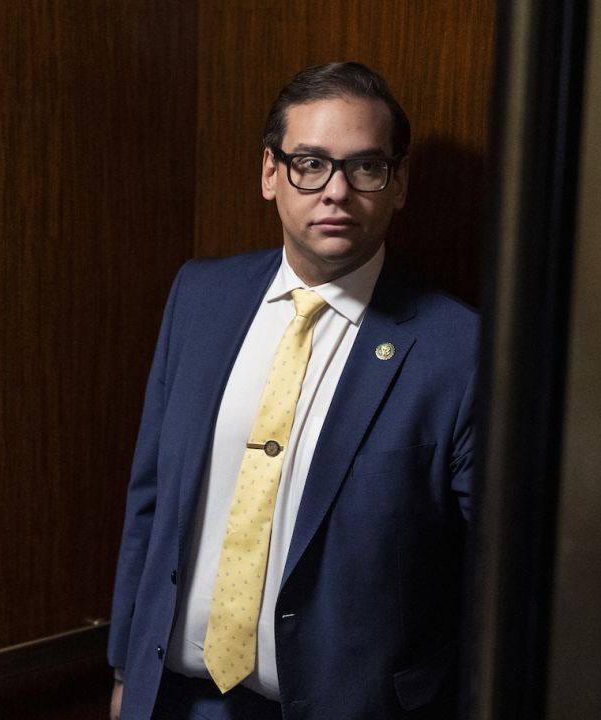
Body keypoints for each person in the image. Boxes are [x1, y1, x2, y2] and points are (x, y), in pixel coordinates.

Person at [107, 62, 477, 720]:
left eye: (366, 166)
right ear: (270, 173)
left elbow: (490, 577)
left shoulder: (458, 349)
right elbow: (151, 501)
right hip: (175, 700)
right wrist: (123, 674)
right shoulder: (200, 296)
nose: (336, 191)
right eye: (310, 163)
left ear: (399, 184)